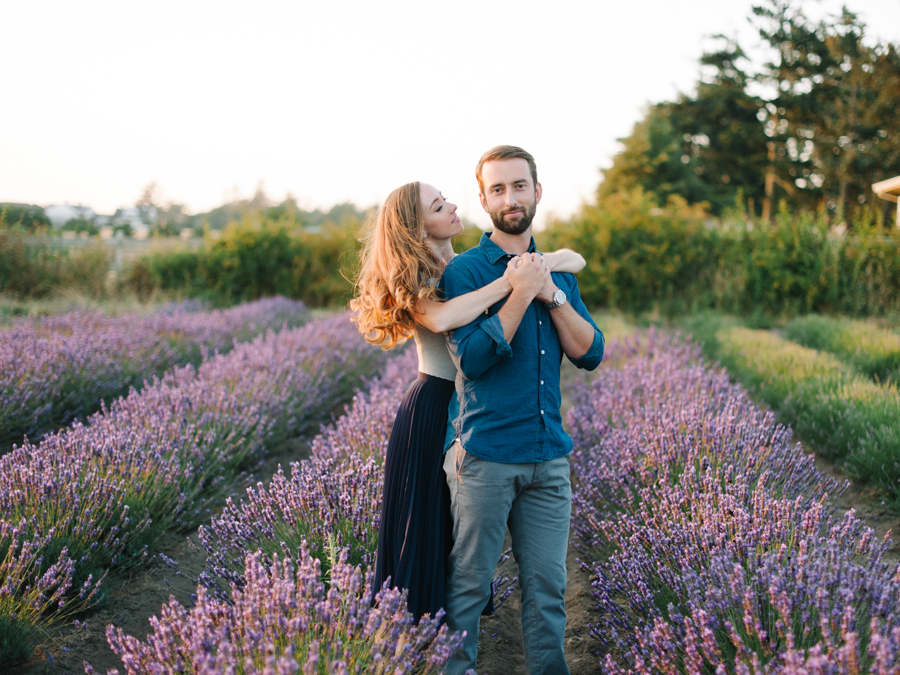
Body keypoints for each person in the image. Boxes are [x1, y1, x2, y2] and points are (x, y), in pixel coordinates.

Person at [350, 181, 585, 622]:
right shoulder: (419, 281)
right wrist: (512, 284)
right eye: (439, 207)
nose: (454, 206)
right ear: (418, 230)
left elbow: (576, 259)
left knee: (459, 540)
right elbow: (447, 316)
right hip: (434, 406)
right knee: (430, 534)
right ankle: (419, 646)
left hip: (471, 405)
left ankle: (446, 643)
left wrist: (535, 267)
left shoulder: (466, 266)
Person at [440, 146, 604, 675]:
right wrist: (519, 291)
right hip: (486, 459)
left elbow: (591, 352)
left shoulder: (558, 273)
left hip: (548, 460)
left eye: (519, 186)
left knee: (548, 592)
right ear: (484, 199)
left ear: (537, 191)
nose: (511, 198)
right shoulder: (465, 273)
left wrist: (550, 293)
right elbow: (475, 359)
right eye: (499, 189)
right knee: (468, 589)